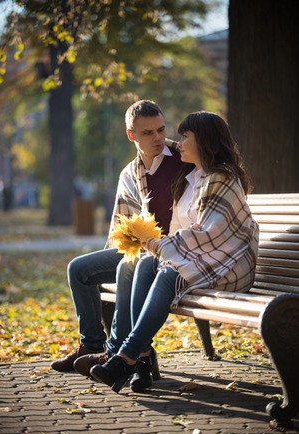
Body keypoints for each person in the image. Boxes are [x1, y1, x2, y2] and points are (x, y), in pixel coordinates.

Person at [88, 110, 260, 393]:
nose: (177, 143)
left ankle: (125, 358)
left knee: (168, 272)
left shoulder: (222, 178)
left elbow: (210, 233)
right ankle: (138, 358)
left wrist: (160, 245)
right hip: (205, 260)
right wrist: (157, 247)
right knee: (145, 266)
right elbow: (184, 229)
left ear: (203, 141)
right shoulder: (194, 180)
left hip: (230, 265)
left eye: (184, 137)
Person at [51, 100, 183, 373]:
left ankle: (129, 355)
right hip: (140, 251)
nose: (158, 137)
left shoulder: (184, 159)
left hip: (172, 253)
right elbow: (120, 227)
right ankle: (91, 344)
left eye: (160, 129)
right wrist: (107, 259)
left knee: (130, 267)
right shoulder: (129, 173)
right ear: (131, 135)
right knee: (79, 269)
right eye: (147, 133)